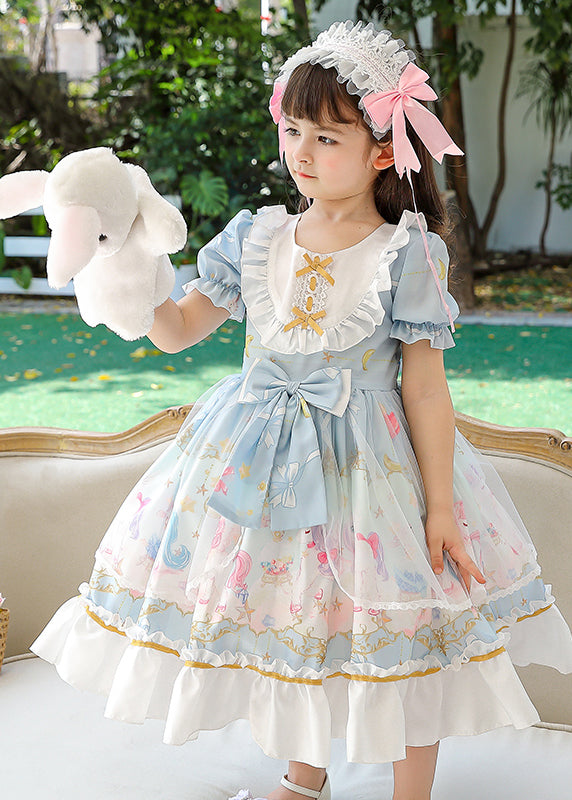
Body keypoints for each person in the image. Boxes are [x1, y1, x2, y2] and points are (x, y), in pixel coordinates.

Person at [32, 20, 572, 800]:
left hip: (372, 474)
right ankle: (303, 776)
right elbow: (176, 329)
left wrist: (440, 506)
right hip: (257, 463)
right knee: (289, 613)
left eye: (326, 136)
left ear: (381, 151)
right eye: (293, 131)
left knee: (401, 629)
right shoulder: (256, 238)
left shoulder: (407, 252)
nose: (302, 152)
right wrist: (126, 264)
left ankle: (410, 794)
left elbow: (424, 388)